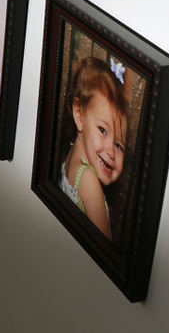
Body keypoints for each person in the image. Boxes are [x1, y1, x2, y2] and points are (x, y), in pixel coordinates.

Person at [59, 56, 128, 240]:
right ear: (79, 115)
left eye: (119, 144)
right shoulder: (89, 182)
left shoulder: (72, 156)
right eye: (103, 130)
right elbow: (104, 254)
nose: (111, 151)